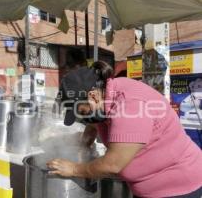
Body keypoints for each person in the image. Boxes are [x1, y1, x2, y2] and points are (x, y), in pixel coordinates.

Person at [47, 61, 202, 198]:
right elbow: (94, 123)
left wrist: (74, 169)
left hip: (177, 188)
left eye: (82, 112)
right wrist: (84, 144)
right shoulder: (107, 95)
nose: (84, 118)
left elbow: (113, 165)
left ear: (93, 96)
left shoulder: (130, 106)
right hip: (149, 189)